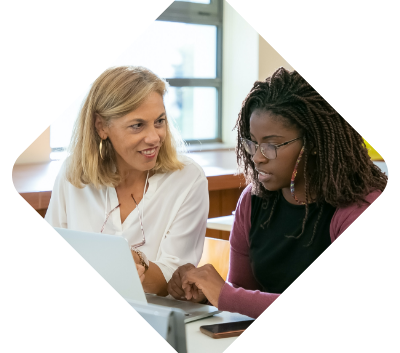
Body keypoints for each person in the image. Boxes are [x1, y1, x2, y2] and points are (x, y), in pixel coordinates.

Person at [167, 67, 388, 317]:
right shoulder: (252, 200)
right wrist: (206, 295)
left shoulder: (358, 207)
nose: (257, 158)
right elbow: (242, 294)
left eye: (271, 145)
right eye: (252, 143)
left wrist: (225, 295)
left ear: (313, 143)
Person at [45, 66, 209, 296]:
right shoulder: (73, 173)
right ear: (101, 126)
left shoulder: (187, 179)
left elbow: (174, 282)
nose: (154, 137)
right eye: (137, 125)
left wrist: (136, 265)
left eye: (159, 121)